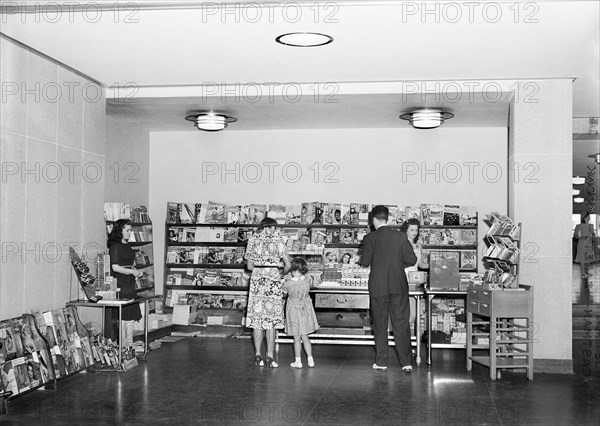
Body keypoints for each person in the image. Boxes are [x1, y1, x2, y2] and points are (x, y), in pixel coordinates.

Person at [360, 205, 417, 372]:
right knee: (401, 323)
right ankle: (406, 362)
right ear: (388, 218)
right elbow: (412, 260)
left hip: (378, 287)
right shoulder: (400, 236)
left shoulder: (370, 238)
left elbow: (364, 262)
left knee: (380, 324)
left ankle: (382, 362)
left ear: (373, 220)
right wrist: (398, 265)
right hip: (398, 285)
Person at [245, 217, 291, 369]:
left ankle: (258, 355)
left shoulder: (252, 239)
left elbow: (249, 266)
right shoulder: (279, 239)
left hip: (257, 282)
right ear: (273, 227)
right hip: (273, 281)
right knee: (271, 320)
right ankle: (270, 356)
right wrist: (279, 272)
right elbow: (288, 264)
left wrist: (260, 269)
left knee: (257, 319)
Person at [107, 219, 142, 349]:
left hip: (129, 282)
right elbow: (115, 267)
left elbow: (129, 263)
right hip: (120, 282)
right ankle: (123, 345)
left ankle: (129, 344)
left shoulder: (127, 245)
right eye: (127, 230)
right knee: (124, 315)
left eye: (130, 230)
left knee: (130, 315)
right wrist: (132, 272)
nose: (129, 233)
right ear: (119, 231)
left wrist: (135, 271)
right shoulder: (115, 246)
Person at [283, 258, 319, 368]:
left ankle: (298, 361)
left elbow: (284, 294)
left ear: (293, 270)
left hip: (293, 310)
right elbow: (306, 278)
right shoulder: (307, 280)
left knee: (296, 337)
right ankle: (310, 359)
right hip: (305, 309)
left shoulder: (287, 283)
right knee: (305, 336)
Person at [400, 218, 429, 334]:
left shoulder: (418, 245)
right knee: (405, 313)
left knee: (413, 314)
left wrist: (434, 264)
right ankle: (403, 339)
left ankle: (406, 339)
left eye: (416, 230)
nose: (414, 233)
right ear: (405, 230)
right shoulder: (401, 244)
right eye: (411, 230)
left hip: (415, 281)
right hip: (402, 279)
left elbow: (421, 263)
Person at [574, 212, 596, 279]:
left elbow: (593, 234)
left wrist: (593, 235)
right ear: (584, 218)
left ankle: (586, 272)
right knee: (582, 258)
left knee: (588, 258)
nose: (589, 218)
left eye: (589, 217)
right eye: (588, 217)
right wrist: (580, 237)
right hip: (582, 243)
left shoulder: (591, 225)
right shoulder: (578, 226)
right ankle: (583, 273)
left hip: (589, 242)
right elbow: (575, 235)